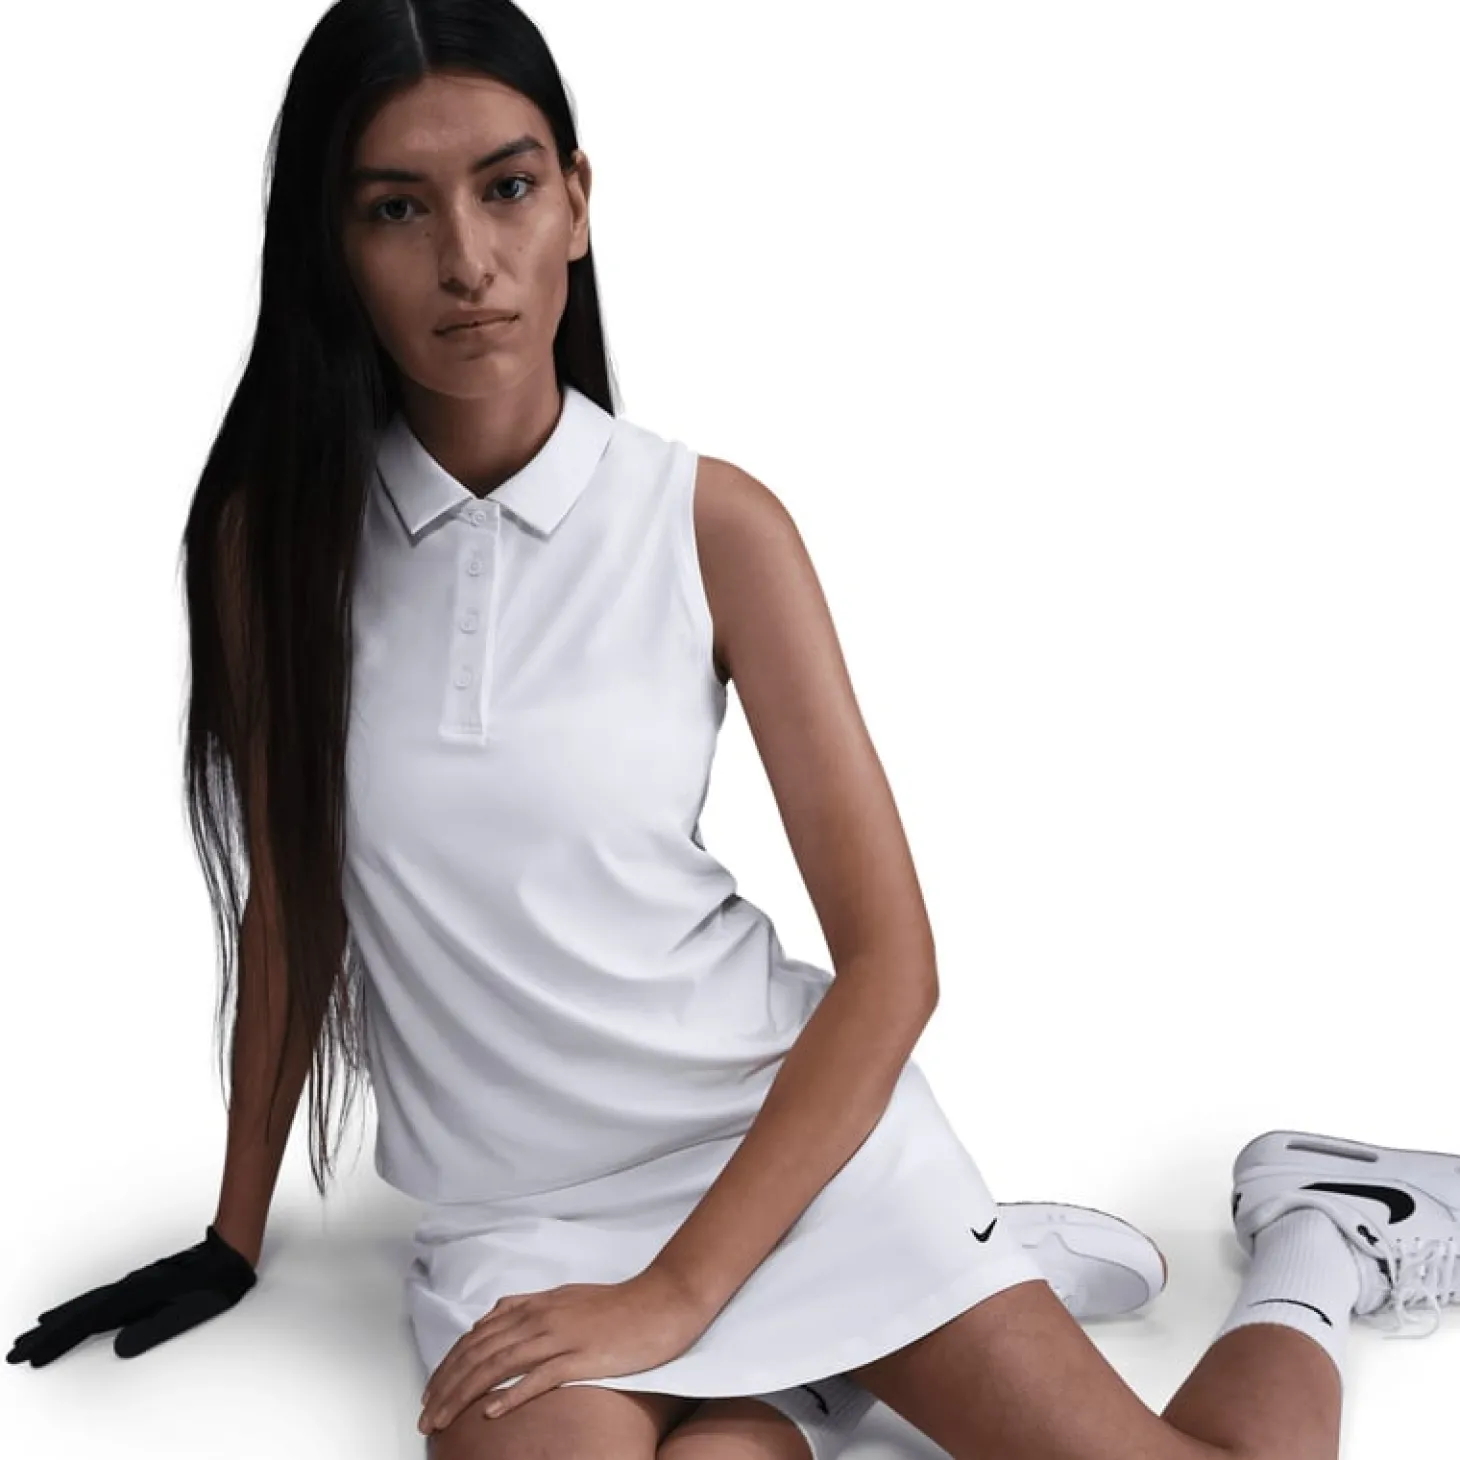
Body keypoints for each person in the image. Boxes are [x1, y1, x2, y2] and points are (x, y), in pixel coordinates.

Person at [8, 4, 1456, 1459]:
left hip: (792, 1156)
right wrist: (234, 1234)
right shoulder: (276, 550)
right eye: (398, 208)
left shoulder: (711, 526)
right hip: (524, 1224)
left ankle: (1317, 1237)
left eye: (508, 188)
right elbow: (292, 899)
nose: (467, 259)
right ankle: (820, 1378)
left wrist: (679, 1294)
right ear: (335, 245)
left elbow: (893, 966)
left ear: (577, 201)